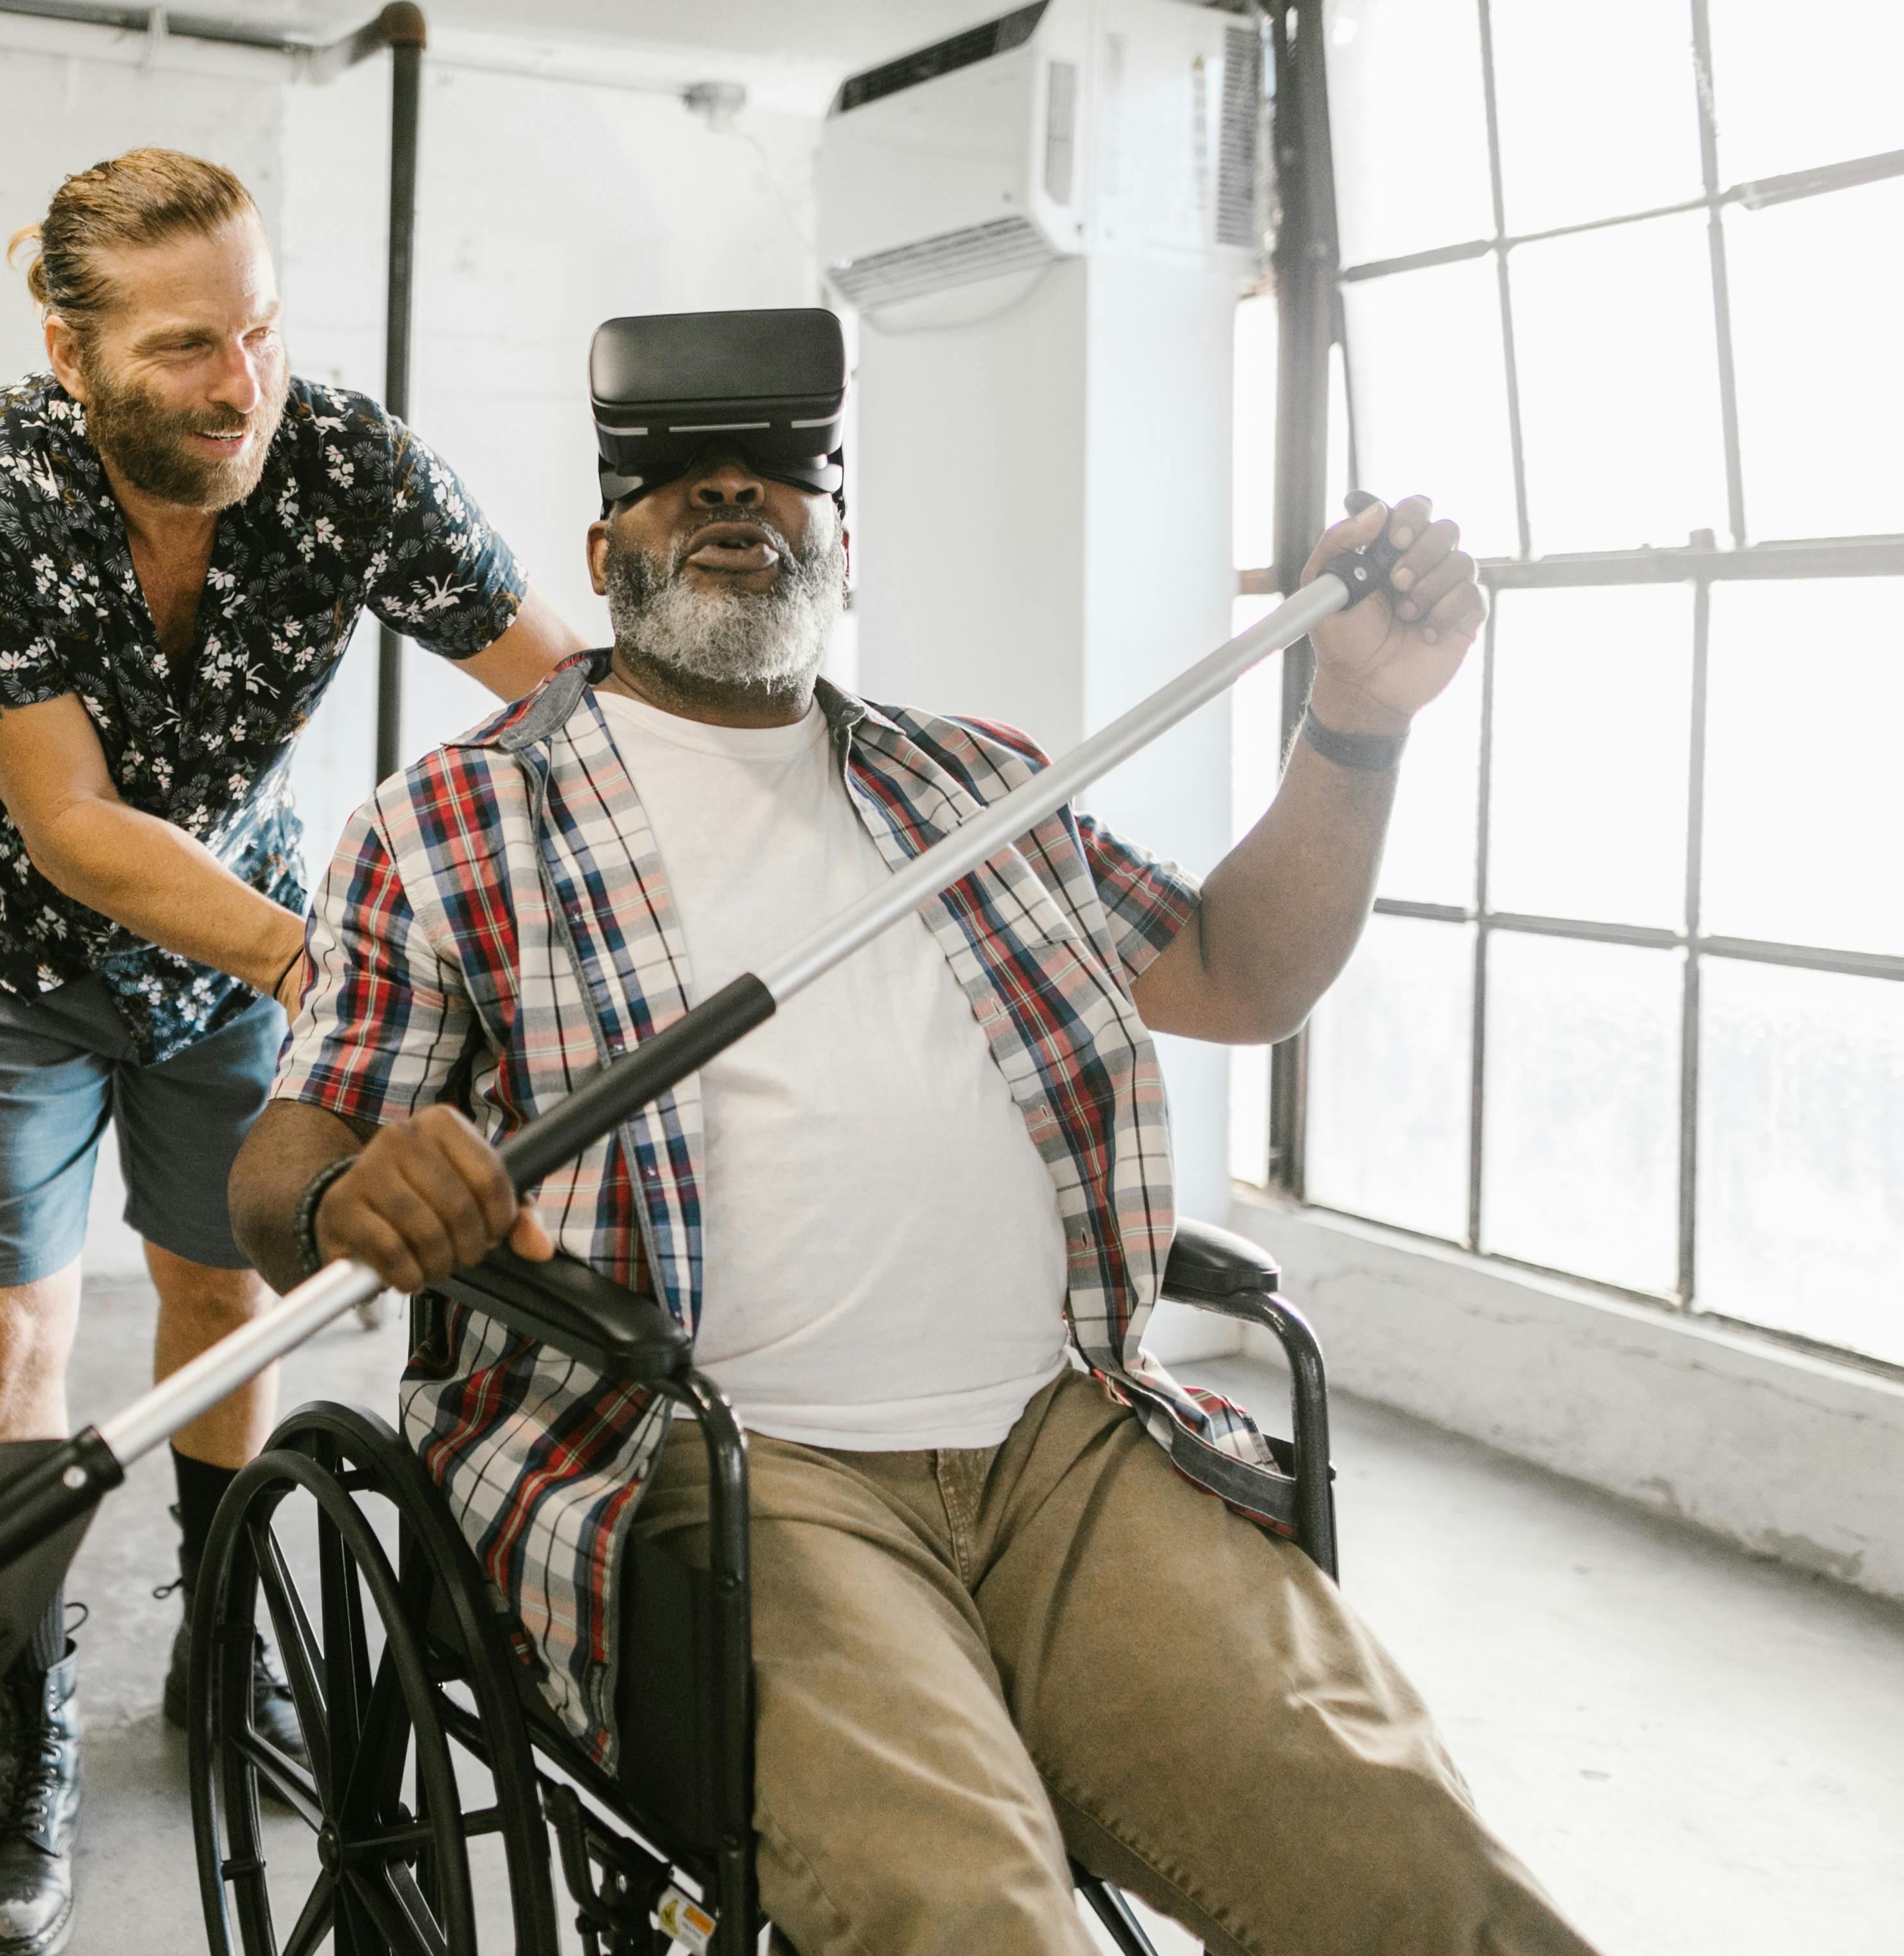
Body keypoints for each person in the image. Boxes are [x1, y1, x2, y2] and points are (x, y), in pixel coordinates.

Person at [227, 311, 1604, 1953]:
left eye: (783, 476)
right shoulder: (453, 817)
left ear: (840, 546)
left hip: (1059, 1448)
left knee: (1426, 1885)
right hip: (721, 1472)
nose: (734, 499)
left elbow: (1241, 972)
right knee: (967, 1916)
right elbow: (280, 1165)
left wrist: (1358, 716)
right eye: (676, 482)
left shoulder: (979, 785)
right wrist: (349, 1195)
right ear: (604, 551)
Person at [0, 148, 582, 1956]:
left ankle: (218, 1642)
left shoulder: (345, 464)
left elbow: (555, 690)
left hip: (226, 964)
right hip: (15, 952)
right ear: (70, 347)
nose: (241, 383)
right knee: (7, 1341)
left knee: (222, 1293)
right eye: (190, 345)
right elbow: (71, 823)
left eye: (261, 330)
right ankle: (26, 1735)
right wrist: (334, 957)